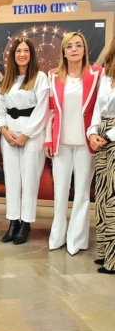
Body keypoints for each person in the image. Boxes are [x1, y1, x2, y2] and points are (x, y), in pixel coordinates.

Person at [45, 32, 103, 256]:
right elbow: (50, 111)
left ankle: (76, 239)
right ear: (64, 52)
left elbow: (101, 106)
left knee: (81, 194)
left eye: (79, 45)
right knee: (59, 192)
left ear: (85, 49)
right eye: (70, 46)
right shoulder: (53, 75)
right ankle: (58, 236)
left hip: (86, 143)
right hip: (61, 142)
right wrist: (49, 139)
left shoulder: (97, 74)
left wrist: (96, 132)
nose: (75, 49)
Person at [0, 38, 49, 245]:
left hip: (32, 137)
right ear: (13, 54)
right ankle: (13, 222)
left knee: (29, 181)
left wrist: (26, 134)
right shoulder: (7, 79)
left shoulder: (40, 77)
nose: (22, 54)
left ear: (31, 54)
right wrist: (4, 130)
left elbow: (42, 109)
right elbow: (0, 110)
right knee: (12, 181)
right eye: (19, 51)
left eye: (26, 51)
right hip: (9, 137)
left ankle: (26, 223)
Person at [88, 37, 115, 273]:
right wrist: (92, 132)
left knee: (114, 200)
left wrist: (109, 135)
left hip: (112, 138)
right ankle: (107, 253)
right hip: (103, 138)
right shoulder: (107, 73)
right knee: (104, 198)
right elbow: (98, 107)